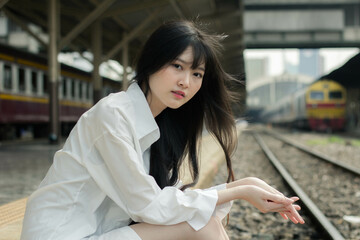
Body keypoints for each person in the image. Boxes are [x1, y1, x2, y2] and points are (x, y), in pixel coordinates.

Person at [21, 20, 304, 240]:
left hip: (94, 232)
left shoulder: (157, 124)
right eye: (177, 66)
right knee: (202, 225)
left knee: (205, 222)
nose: (186, 82)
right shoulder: (113, 117)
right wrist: (238, 192)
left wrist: (246, 183)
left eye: (197, 74)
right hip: (60, 235)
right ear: (152, 62)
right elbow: (149, 207)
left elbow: (162, 203)